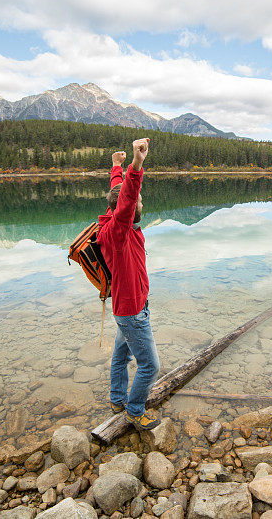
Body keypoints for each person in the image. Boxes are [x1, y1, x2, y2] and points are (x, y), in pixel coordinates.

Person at [97, 137, 161, 430]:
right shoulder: (118, 231)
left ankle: (117, 398)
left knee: (122, 354)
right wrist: (136, 164)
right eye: (137, 202)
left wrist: (116, 166)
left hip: (127, 307)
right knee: (150, 366)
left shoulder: (115, 221)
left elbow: (118, 194)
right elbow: (126, 197)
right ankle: (135, 410)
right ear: (126, 210)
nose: (139, 202)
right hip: (132, 310)